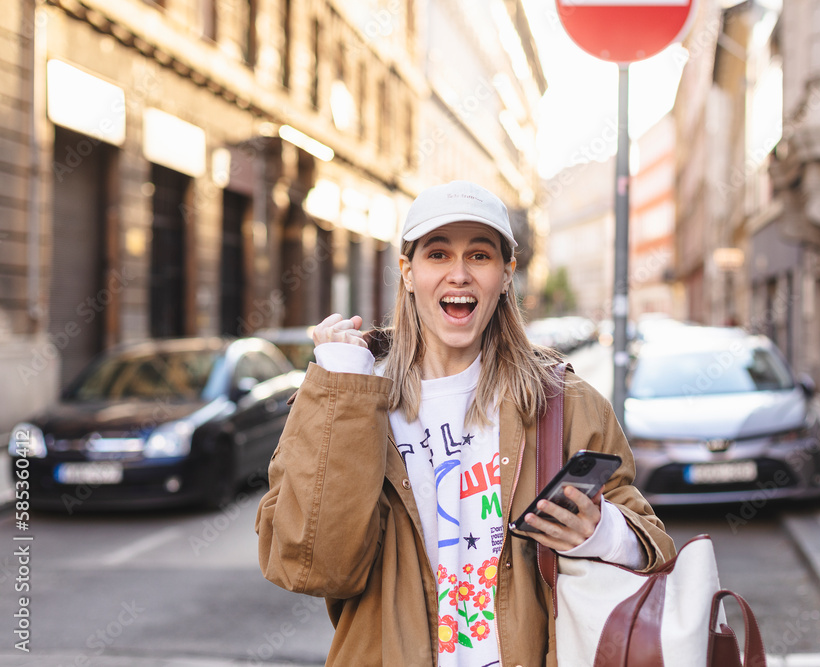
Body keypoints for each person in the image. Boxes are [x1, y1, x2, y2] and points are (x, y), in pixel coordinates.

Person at [256, 180, 675, 666]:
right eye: (438, 254)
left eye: (479, 256)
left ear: (506, 275)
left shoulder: (565, 402)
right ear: (408, 273)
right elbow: (314, 568)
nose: (459, 275)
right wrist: (343, 388)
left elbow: (655, 546)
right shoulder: (349, 399)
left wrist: (600, 533)